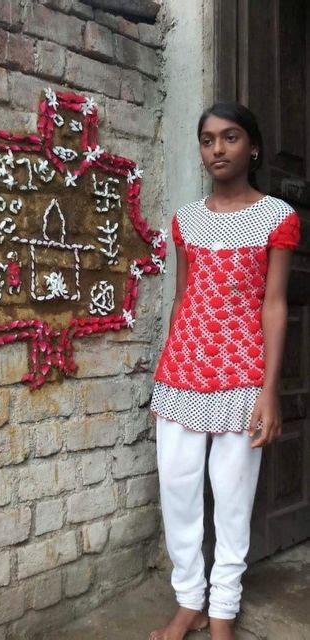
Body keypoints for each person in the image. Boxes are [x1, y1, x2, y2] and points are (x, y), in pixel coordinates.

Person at [149, 102, 301, 640]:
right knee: (180, 490)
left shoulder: (277, 217)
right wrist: (171, 355)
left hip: (241, 374)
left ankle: (222, 611)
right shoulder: (186, 221)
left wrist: (270, 391)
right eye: (208, 139)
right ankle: (189, 600)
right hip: (181, 373)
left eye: (231, 138)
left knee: (233, 497)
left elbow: (274, 305)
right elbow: (183, 297)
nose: (218, 149)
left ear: (253, 147)